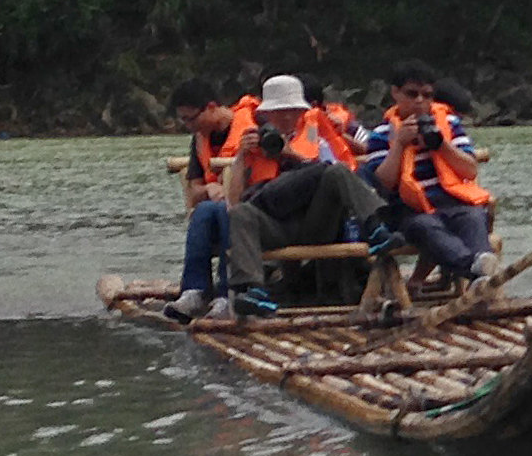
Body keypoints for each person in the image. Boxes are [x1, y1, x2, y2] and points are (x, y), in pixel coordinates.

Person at [225, 74, 397, 317]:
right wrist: (242, 157)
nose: (286, 117)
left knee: (334, 171)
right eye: (279, 111)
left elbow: (343, 172)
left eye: (293, 111)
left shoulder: (317, 135)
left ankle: (375, 226)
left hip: (315, 220)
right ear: (267, 113)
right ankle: (253, 290)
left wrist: (291, 154)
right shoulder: (254, 143)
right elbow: (233, 201)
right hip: (276, 225)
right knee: (241, 213)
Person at [364, 60, 497, 287]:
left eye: (426, 95)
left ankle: (480, 273)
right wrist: (399, 145)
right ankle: (477, 272)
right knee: (426, 227)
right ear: (395, 93)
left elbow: (470, 169)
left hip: (451, 202)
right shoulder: (380, 135)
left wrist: (441, 145)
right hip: (409, 211)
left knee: (474, 217)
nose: (419, 101)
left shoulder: (449, 124)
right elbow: (383, 183)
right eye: (412, 94)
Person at [165, 79, 246, 323]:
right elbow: (194, 190)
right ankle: (195, 290)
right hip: (216, 209)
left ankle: (226, 293)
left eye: (191, 118)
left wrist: (229, 189)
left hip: (249, 208)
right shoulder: (200, 139)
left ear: (211, 107)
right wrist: (210, 187)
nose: (188, 126)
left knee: (221, 209)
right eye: (183, 120)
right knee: (204, 210)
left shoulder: (251, 130)